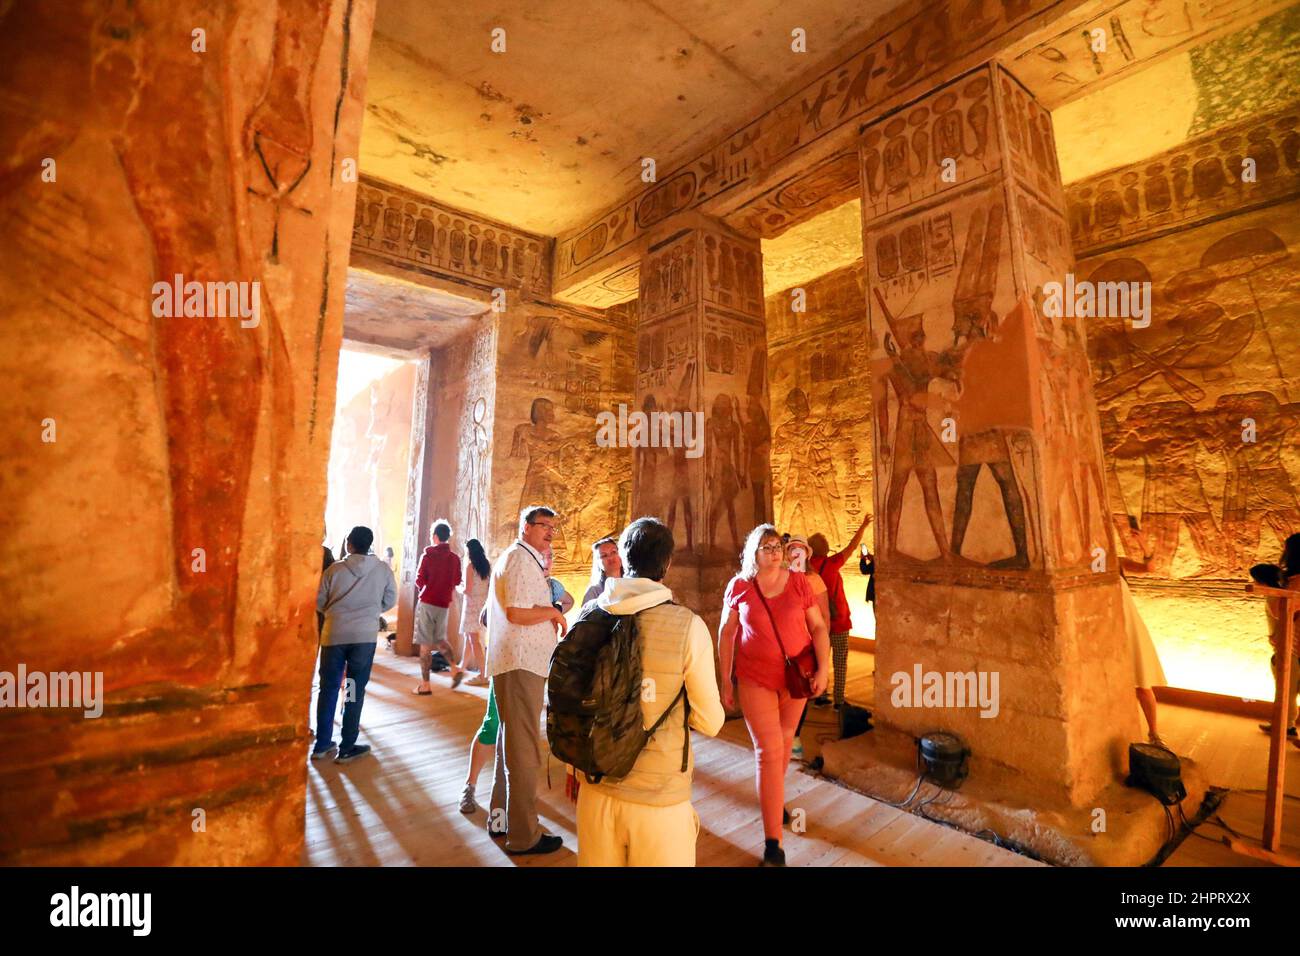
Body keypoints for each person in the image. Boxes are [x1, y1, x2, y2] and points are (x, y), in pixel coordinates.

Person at [577, 517, 725, 866]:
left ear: (624, 560)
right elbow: (711, 721)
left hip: (597, 787)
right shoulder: (688, 626)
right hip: (659, 797)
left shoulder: (589, 617)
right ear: (667, 563)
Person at [720, 524, 830, 866]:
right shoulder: (740, 586)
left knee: (783, 741)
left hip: (795, 679)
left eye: (777, 546)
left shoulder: (799, 583)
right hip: (756, 680)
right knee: (769, 751)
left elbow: (818, 627)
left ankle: (772, 796)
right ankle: (773, 846)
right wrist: (725, 679)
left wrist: (824, 669)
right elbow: (727, 632)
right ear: (753, 552)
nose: (774, 551)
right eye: (766, 546)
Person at [485, 505, 569, 855]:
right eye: (542, 525)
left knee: (511, 742)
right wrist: (553, 612)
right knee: (523, 749)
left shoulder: (523, 558)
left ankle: (502, 818)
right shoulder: (520, 559)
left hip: (519, 662)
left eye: (552, 526)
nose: (549, 531)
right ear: (525, 528)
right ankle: (524, 836)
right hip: (520, 663)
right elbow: (516, 612)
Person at [313, 526, 397, 764]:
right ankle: (347, 745)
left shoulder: (334, 570)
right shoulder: (381, 569)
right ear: (369, 544)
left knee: (328, 688)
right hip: (363, 638)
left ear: (349, 544)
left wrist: (336, 613)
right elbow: (390, 599)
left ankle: (321, 744)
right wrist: (370, 611)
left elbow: (319, 601)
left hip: (334, 635)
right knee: (352, 689)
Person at [808, 513, 872, 708]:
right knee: (840, 662)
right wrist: (863, 526)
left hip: (818, 623)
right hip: (839, 621)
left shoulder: (807, 569)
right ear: (825, 549)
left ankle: (819, 694)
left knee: (820, 661)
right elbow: (852, 547)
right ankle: (838, 701)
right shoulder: (832, 563)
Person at [1117, 547, 1167, 746]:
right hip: (1106, 628)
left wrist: (1144, 546)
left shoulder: (1116, 561)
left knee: (1142, 683)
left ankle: (1153, 733)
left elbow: (1149, 567)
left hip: (1130, 627)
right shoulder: (1095, 564)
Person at [414, 520, 465, 694]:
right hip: (444, 604)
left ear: (435, 536)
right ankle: (454, 667)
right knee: (440, 639)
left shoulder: (427, 556)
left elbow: (420, 580)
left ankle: (425, 684)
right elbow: (457, 581)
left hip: (427, 602)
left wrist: (427, 586)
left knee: (425, 645)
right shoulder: (455, 559)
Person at [1257, 533, 1300, 738]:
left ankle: (1286, 726)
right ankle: (1286, 725)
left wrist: (1272, 592)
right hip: (1293, 642)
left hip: (1293, 643)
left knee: (1287, 689)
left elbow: (1283, 612)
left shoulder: (1296, 582)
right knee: (1288, 689)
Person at [457, 539, 492, 687]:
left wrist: (458, 587)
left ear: (470, 551)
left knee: (474, 641)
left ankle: (483, 674)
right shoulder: (486, 565)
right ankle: (462, 667)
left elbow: (468, 590)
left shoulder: (470, 567)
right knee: (470, 638)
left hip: (471, 607)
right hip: (482, 605)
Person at [582, 536, 622, 606]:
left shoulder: (634, 582)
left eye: (613, 552)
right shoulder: (594, 591)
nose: (610, 557)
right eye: (604, 555)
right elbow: (586, 615)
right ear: (598, 562)